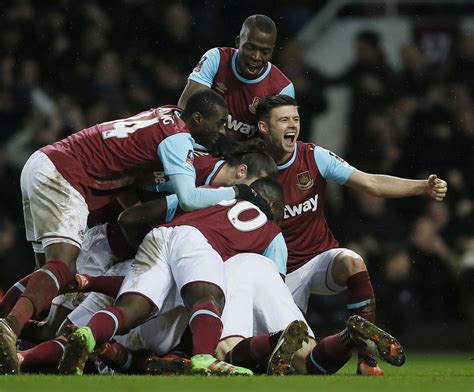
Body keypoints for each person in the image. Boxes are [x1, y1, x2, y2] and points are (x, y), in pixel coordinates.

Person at [0, 89, 267, 375]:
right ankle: (9, 328)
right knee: (62, 269)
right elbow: (188, 198)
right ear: (198, 119)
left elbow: (128, 179)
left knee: (50, 295)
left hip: (46, 162)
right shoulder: (180, 142)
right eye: (218, 124)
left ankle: (15, 342)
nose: (222, 131)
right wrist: (238, 191)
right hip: (66, 175)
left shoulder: (167, 116)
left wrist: (138, 210)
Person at [254, 94, 447, 375]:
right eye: (283, 120)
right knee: (304, 363)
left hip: (318, 260)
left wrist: (423, 187)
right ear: (263, 127)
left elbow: (371, 182)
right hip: (277, 276)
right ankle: (347, 337)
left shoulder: (314, 156)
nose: (292, 125)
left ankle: (367, 358)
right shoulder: (250, 166)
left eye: (295, 119)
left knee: (352, 261)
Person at [58, 178, 287, 376]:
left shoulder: (214, 192)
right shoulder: (271, 231)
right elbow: (273, 287)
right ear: (274, 206)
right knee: (208, 299)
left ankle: (87, 335)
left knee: (131, 310)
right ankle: (204, 358)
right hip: (199, 243)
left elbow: (135, 217)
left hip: (161, 234)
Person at [178, 14, 294, 137]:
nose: (256, 57)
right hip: (202, 146)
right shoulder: (216, 59)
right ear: (238, 42)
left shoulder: (282, 89)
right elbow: (186, 109)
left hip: (244, 154)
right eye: (250, 48)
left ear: (272, 51)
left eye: (265, 52)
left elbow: (276, 141)